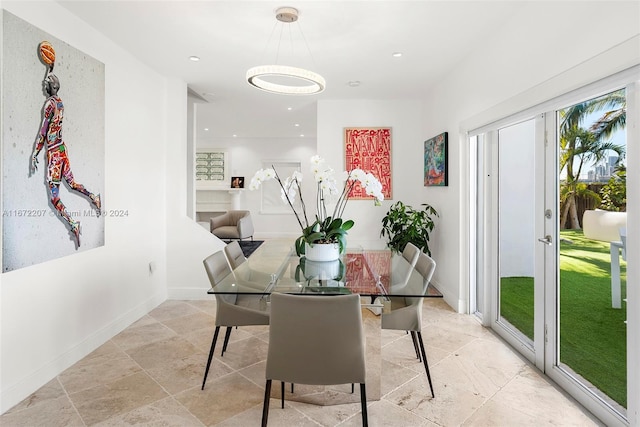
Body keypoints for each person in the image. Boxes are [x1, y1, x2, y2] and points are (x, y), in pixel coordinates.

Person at [30, 73, 101, 247]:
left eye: (46, 83)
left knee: (54, 198)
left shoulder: (49, 105)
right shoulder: (60, 103)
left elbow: (43, 132)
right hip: (62, 149)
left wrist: (35, 153)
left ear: (52, 87)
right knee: (72, 183)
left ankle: (73, 224)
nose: (43, 86)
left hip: (54, 153)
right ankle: (94, 197)